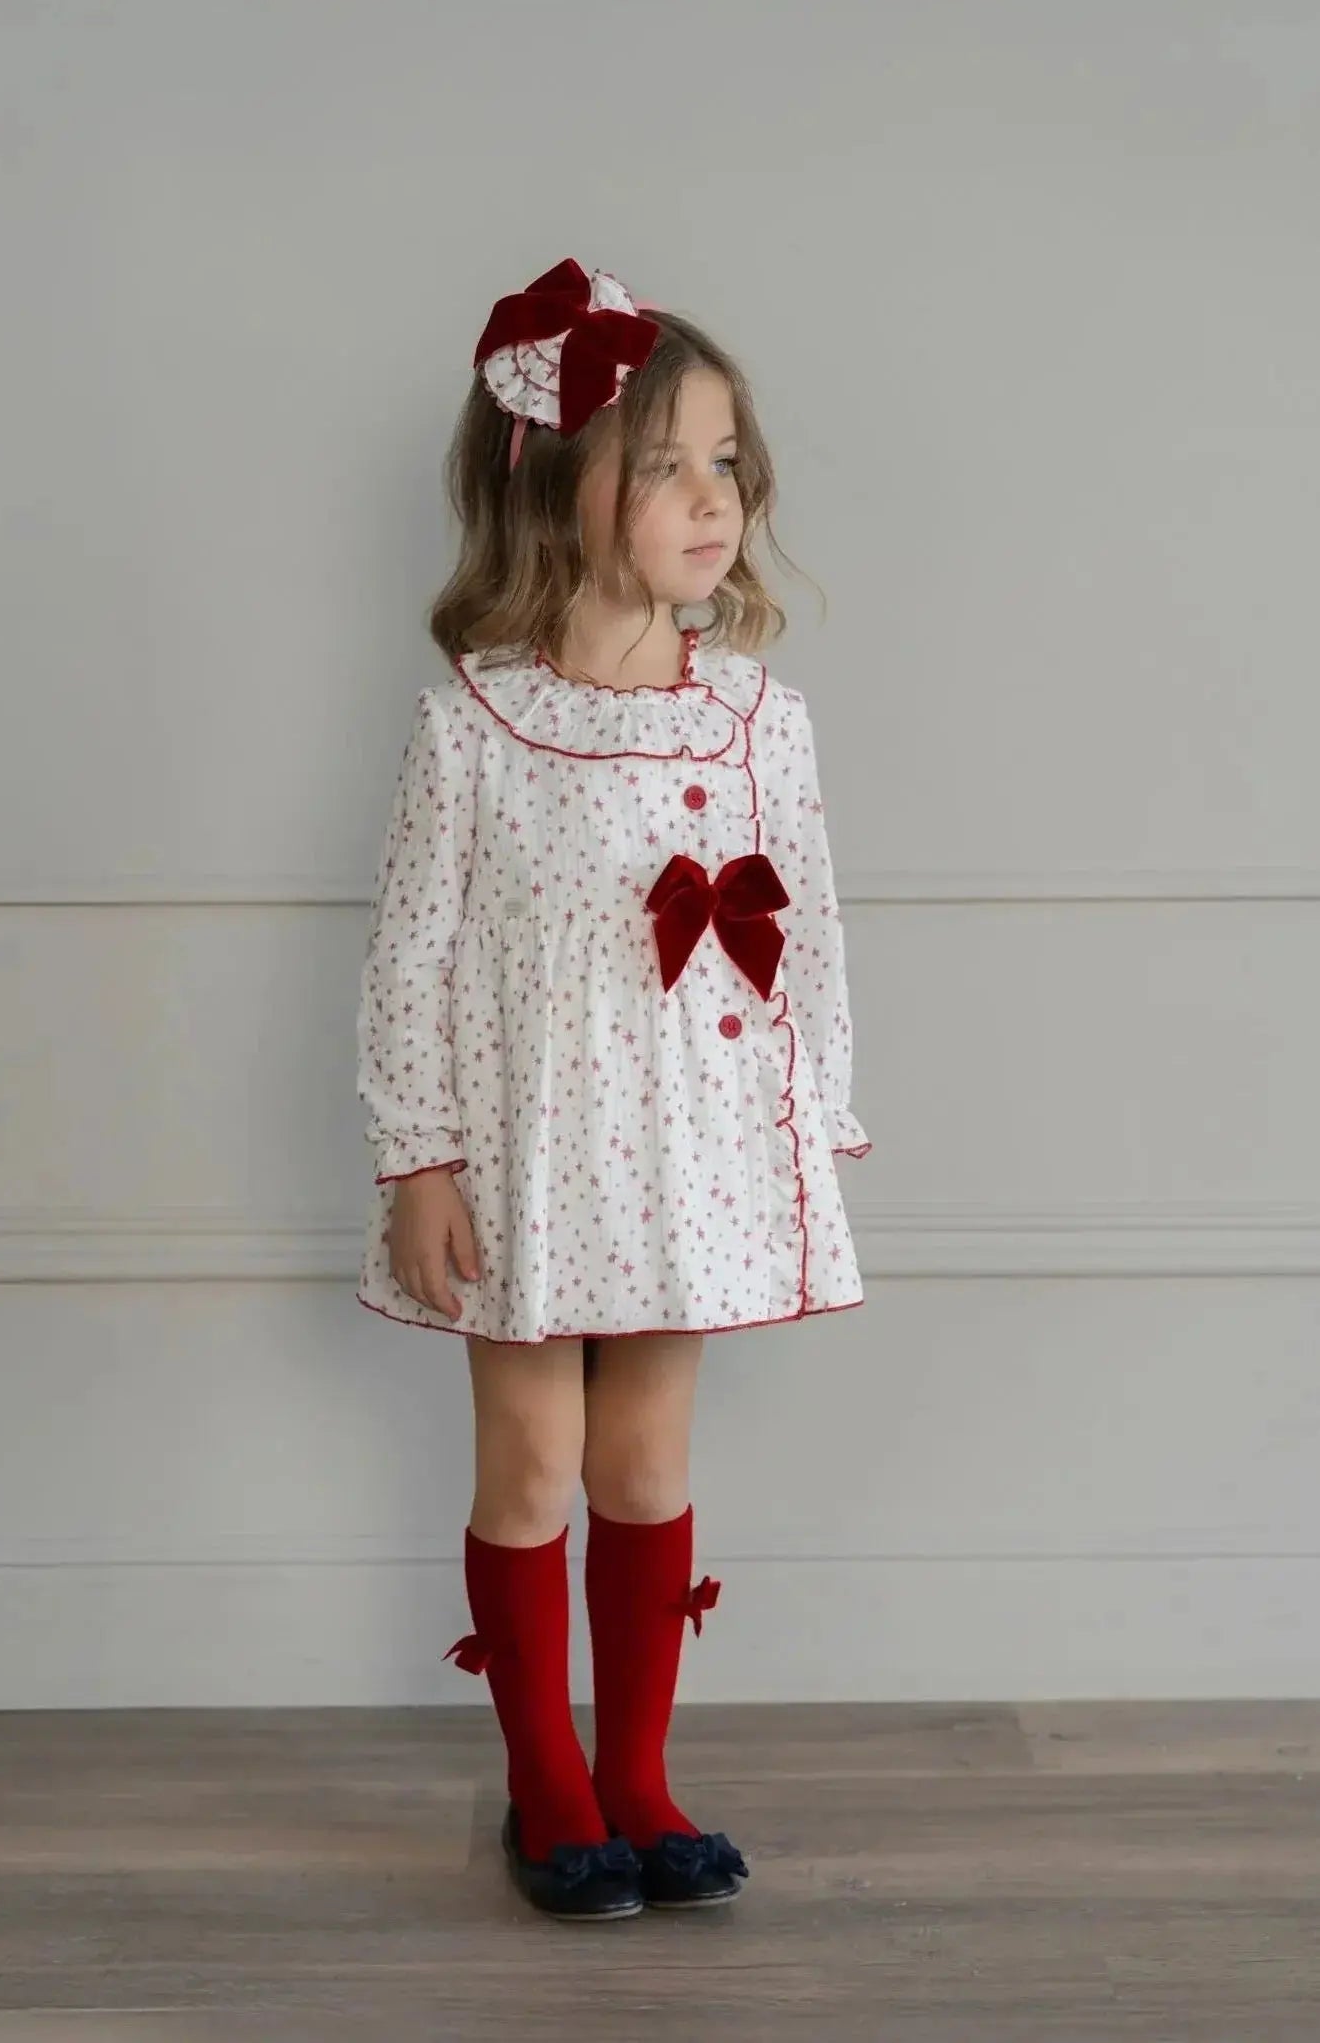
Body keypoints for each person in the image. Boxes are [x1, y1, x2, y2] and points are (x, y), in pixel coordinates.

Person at [354, 259, 873, 1921]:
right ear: (551, 487)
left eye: (725, 462)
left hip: (696, 1155)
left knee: (647, 1463)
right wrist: (419, 1159)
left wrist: (820, 1118)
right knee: (530, 1465)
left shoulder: (758, 722)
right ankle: (542, 1780)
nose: (710, 499)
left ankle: (638, 1771)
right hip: (530, 1160)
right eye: (662, 465)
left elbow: (811, 932)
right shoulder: (479, 729)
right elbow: (414, 955)